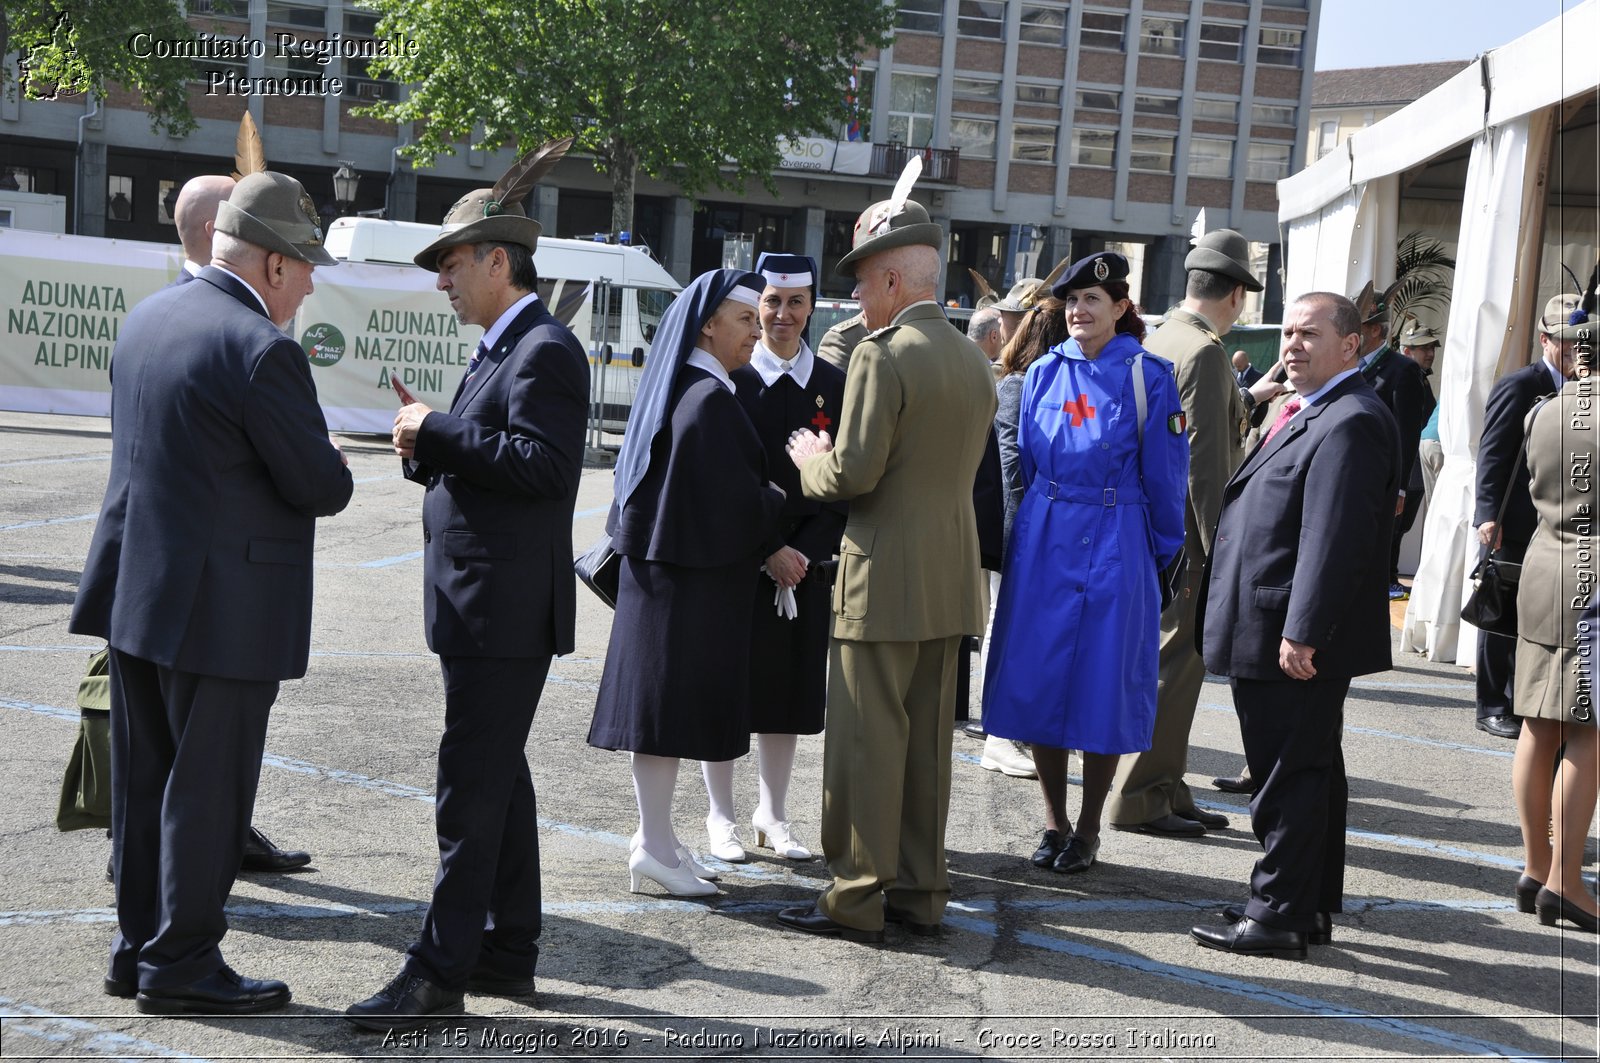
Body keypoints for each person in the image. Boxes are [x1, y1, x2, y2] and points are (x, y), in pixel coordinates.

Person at [69, 172, 353, 1013]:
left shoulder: (149, 317)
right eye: (304, 265)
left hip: (138, 595)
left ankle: (139, 950)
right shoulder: (263, 348)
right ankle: (183, 960)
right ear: (269, 266)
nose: (309, 283)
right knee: (208, 792)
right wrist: (333, 460)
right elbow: (318, 485)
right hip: (223, 607)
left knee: (146, 784)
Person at [347, 144, 590, 1030]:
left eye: (451, 263)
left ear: (499, 260)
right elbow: (492, 470)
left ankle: (438, 969)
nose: (442, 280)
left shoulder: (542, 349)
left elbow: (544, 468)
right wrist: (430, 448)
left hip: (502, 611)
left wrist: (438, 431)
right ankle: (507, 946)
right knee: (499, 779)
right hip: (481, 604)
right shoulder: (503, 348)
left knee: (469, 786)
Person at [779, 190, 995, 942]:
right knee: (928, 750)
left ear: (896, 282)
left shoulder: (881, 352)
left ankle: (857, 896)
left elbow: (855, 473)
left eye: (864, 279)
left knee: (868, 745)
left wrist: (811, 463)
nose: (856, 294)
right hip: (949, 580)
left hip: (883, 578)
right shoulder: (973, 357)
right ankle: (920, 891)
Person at [1191, 291, 1398, 959]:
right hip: (1272, 622)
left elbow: (1334, 537)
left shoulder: (1350, 419)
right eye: (1288, 332)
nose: (1292, 345)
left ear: (1351, 345)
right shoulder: (1310, 409)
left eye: (1310, 334)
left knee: (1287, 776)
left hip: (1290, 633)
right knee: (1304, 769)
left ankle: (1277, 912)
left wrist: (1303, 630)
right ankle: (1300, 903)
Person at [982, 251, 1188, 877]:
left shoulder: (1148, 376)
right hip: (1045, 536)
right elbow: (1021, 465)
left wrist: (1160, 555)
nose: (1078, 310)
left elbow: (1167, 476)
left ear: (1121, 308)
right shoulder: (1044, 372)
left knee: (1101, 684)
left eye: (1092, 301)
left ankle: (1090, 825)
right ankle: (1054, 821)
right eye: (1071, 302)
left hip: (1116, 536)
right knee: (1040, 679)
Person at [587, 269, 785, 897]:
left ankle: (661, 842)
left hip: (674, 582)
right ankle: (652, 842)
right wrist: (782, 494)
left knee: (666, 716)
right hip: (684, 588)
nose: (757, 332)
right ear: (708, 325)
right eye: (745, 320)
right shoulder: (707, 400)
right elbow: (731, 500)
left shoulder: (695, 391)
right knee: (665, 716)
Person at [1108, 228, 1264, 839]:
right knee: (1173, 668)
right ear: (1237, 295)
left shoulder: (1157, 337)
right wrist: (1222, 546)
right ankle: (1142, 794)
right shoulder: (1201, 352)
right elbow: (1203, 464)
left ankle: (1166, 785)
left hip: (1147, 531)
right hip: (1186, 542)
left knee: (1161, 664)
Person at [699, 253, 846, 864]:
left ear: (812, 307)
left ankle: (774, 815)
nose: (782, 316)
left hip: (805, 567)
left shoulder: (835, 385)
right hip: (738, 559)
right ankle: (720, 816)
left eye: (795, 303)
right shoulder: (730, 378)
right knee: (725, 689)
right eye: (770, 303)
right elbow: (715, 482)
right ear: (754, 309)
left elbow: (845, 483)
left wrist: (802, 555)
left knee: (786, 693)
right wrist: (767, 551)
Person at [1511, 303, 1597, 933]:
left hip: (1545, 565)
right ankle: (1566, 882)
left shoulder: (1545, 409)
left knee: (1539, 725)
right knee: (1590, 734)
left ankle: (1539, 868)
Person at [969, 297, 1073, 778]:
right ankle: (997, 736)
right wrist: (1026, 540)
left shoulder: (1040, 383)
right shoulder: (1017, 385)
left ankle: (1019, 729)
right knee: (1003, 629)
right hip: (1019, 534)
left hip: (1038, 533)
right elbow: (1013, 472)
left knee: (1027, 633)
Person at [1473, 295, 1578, 740]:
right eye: (1567, 343)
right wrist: (1486, 515)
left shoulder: (1585, 391)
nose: (1577, 351)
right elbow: (1493, 454)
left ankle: (1528, 698)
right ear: (1545, 340)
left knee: (1541, 616)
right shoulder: (1522, 384)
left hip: (1562, 524)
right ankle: (1493, 704)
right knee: (1502, 614)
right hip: (1516, 519)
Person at [1353, 290, 1430, 601]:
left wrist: (1399, 487)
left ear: (1374, 330)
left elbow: (1406, 432)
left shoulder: (1402, 370)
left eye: (1357, 327)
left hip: (1379, 475)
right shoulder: (1348, 363)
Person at [1403, 325, 1444, 505]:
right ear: (1407, 351)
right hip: (1406, 468)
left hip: (1416, 465)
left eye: (1432, 348)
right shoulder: (1404, 378)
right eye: (1424, 348)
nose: (1430, 353)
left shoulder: (1420, 378)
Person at [970, 305, 1005, 372]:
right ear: (994, 336)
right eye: (1002, 330)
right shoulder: (988, 370)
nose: (1004, 339)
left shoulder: (954, 353)